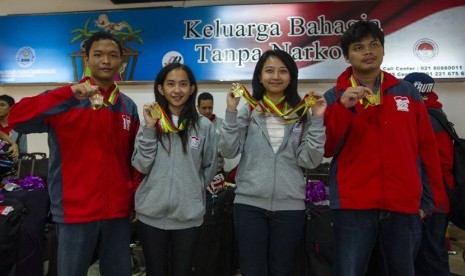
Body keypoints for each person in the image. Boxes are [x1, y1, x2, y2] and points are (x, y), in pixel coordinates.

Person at [8, 31, 140, 276]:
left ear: (120, 62)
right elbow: (16, 118)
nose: (106, 61)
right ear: (86, 59)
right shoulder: (64, 100)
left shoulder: (127, 106)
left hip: (118, 212)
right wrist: (68, 94)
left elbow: (133, 159)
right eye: (98, 54)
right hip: (74, 212)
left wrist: (134, 200)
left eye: (113, 56)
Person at [323, 21, 446, 276]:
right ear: (347, 56)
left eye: (374, 45)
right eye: (359, 47)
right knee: (349, 271)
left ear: (382, 50)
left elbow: (427, 149)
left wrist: (428, 199)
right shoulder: (334, 96)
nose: (368, 51)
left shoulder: (407, 92)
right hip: (352, 205)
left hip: (403, 204)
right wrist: (342, 109)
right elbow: (326, 147)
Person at [219, 49, 327, 275]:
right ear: (259, 76)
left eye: (282, 71)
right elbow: (229, 151)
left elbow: (310, 159)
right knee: (252, 269)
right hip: (249, 205)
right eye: (269, 71)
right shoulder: (249, 109)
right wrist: (230, 111)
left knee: (283, 270)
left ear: (291, 76)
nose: (275, 76)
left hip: (290, 207)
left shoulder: (301, 112)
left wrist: (317, 119)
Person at [131, 62, 218, 276]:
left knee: (183, 271)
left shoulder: (204, 126)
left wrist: (194, 189)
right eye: (170, 84)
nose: (177, 90)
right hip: (151, 215)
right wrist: (150, 129)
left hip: (188, 216)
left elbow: (210, 165)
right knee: (155, 271)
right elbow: (141, 164)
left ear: (192, 89)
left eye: (183, 84)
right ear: (161, 89)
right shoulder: (150, 122)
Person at [404, 72, 453, 276]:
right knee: (430, 254)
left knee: (430, 257)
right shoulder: (436, 114)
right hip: (437, 198)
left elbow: (428, 165)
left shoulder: (425, 119)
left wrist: (426, 203)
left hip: (431, 201)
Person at [197, 92, 226, 194]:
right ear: (197, 108)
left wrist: (219, 150)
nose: (207, 111)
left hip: (217, 174)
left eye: (210, 107)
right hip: (198, 174)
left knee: (216, 207)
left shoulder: (222, 124)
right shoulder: (193, 125)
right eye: (203, 108)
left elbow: (228, 148)